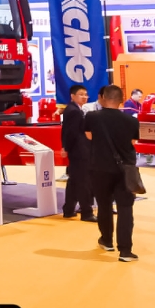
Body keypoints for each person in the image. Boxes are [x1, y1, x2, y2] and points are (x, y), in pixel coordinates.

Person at [84, 84, 141, 262]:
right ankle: (125, 251)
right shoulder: (132, 121)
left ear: (103, 98)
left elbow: (89, 137)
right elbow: (132, 142)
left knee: (104, 205)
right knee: (125, 208)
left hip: (100, 167)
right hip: (125, 169)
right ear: (121, 100)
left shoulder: (92, 116)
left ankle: (106, 240)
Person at [61, 84, 96, 221]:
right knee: (83, 181)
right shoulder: (74, 111)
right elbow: (71, 133)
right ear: (73, 96)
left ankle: (68, 209)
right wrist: (66, 148)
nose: (84, 97)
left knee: (74, 181)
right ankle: (86, 212)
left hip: (77, 150)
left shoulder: (75, 109)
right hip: (79, 151)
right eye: (81, 94)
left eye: (86, 94)